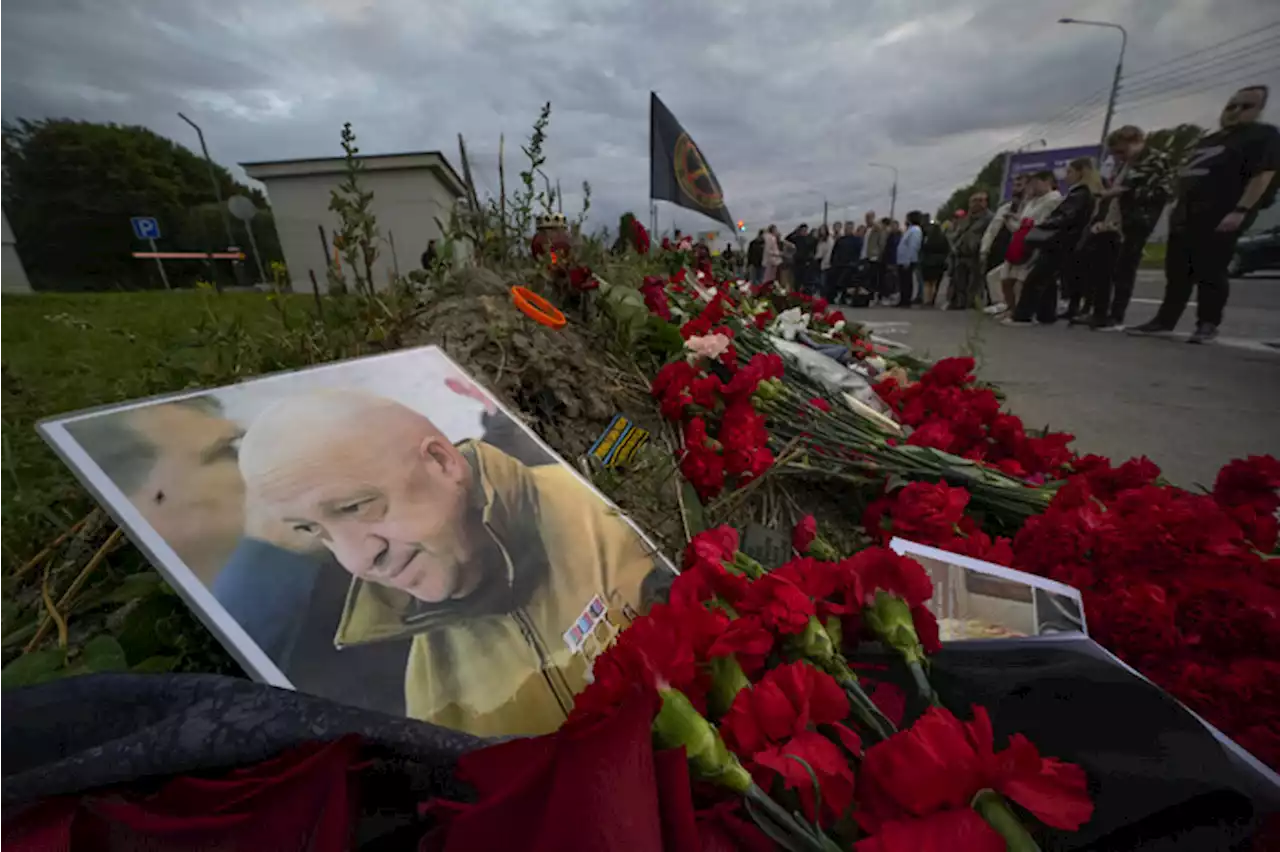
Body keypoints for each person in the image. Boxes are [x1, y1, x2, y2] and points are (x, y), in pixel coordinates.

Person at [238, 389, 669, 737]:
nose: (356, 560)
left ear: (443, 463)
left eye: (355, 506)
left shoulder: (600, 512)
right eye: (313, 531)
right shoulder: (420, 694)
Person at [1129, 86, 1279, 343]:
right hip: (1186, 213)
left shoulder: (1262, 136)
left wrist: (1241, 210)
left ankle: (1207, 323)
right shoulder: (1210, 140)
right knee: (1177, 272)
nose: (1235, 112)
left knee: (1211, 269)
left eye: (1246, 107)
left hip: (1220, 213)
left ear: (1259, 110)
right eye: (1232, 106)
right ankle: (1165, 320)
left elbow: (1263, 175)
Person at [1072, 125, 1176, 330]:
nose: (1119, 156)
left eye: (1122, 151)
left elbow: (1160, 193)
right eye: (1116, 153)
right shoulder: (1125, 164)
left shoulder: (1155, 160)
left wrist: (1123, 191)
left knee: (1124, 269)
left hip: (1136, 221)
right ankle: (1098, 312)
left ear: (1137, 141)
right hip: (1113, 220)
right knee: (1100, 266)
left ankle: (1115, 314)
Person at [1006, 158, 1099, 326]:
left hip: (1060, 241)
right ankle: (1046, 315)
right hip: (1064, 241)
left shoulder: (1079, 194)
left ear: (1081, 172)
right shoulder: (1080, 193)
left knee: (1036, 278)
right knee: (1047, 280)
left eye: (1070, 172)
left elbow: (1064, 217)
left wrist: (1043, 225)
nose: (1066, 176)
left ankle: (1023, 316)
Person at [983, 172, 1061, 319]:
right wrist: (1010, 221)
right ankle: (1010, 308)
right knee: (1004, 277)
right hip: (1019, 242)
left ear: (1046, 182)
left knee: (1021, 280)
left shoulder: (1053, 199)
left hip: (1034, 244)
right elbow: (1021, 225)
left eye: (1035, 182)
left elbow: (1039, 222)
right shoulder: (1031, 202)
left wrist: (1022, 223)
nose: (1032, 186)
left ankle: (1020, 311)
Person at [979, 175, 1028, 314]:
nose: (1016, 189)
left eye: (1020, 185)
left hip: (1018, 247)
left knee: (1010, 279)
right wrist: (984, 248)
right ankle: (1001, 304)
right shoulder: (1005, 207)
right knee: (993, 276)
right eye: (1014, 185)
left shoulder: (1029, 206)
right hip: (998, 246)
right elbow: (992, 229)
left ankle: (1011, 307)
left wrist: (1012, 220)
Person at [947, 192, 994, 309]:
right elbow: (958, 233)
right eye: (974, 201)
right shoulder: (967, 218)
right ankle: (959, 302)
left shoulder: (989, 218)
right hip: (961, 253)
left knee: (976, 281)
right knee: (959, 280)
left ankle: (973, 303)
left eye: (980, 200)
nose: (976, 204)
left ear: (985, 202)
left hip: (977, 253)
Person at [826, 220, 863, 302]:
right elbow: (835, 251)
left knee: (845, 281)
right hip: (838, 264)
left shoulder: (857, 240)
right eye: (846, 228)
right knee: (833, 280)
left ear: (852, 228)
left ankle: (844, 297)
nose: (847, 229)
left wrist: (855, 262)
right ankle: (832, 297)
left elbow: (858, 252)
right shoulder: (841, 240)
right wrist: (832, 261)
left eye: (849, 228)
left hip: (850, 265)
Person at [920, 213, 950, 306]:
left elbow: (923, 249)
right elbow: (947, 249)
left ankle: (927, 300)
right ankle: (933, 298)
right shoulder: (943, 238)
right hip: (939, 262)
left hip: (928, 262)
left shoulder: (927, 239)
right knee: (935, 282)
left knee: (927, 283)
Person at [896, 211, 923, 308]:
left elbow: (913, 246)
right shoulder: (909, 230)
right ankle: (903, 299)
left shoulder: (915, 230)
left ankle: (906, 300)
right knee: (903, 281)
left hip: (908, 260)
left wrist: (908, 259)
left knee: (907, 281)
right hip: (902, 260)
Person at [863, 215, 886, 298]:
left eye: (869, 218)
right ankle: (867, 294)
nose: (867, 220)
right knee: (866, 276)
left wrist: (878, 253)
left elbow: (882, 243)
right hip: (865, 255)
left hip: (874, 256)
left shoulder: (877, 229)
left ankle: (873, 295)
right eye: (866, 218)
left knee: (873, 277)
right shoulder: (867, 229)